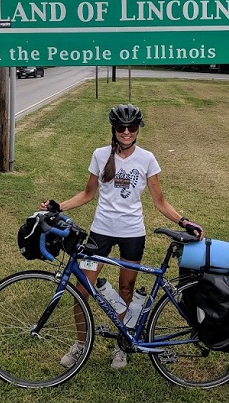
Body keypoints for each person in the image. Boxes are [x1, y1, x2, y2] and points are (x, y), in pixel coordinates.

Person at [40, 103, 204, 370]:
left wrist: (184, 221)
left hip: (132, 234)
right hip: (100, 232)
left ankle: (122, 344)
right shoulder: (100, 155)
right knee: (82, 290)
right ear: (114, 130)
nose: (126, 132)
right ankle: (80, 345)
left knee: (126, 289)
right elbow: (88, 194)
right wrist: (60, 206)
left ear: (138, 130)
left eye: (132, 127)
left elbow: (160, 202)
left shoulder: (147, 159)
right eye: (121, 127)